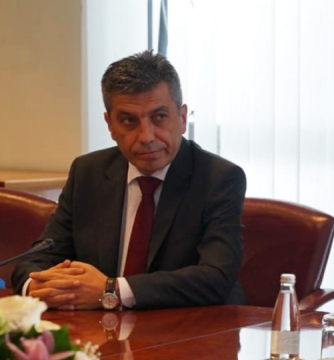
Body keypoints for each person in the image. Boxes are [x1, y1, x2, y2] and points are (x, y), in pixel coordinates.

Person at [12, 51, 247, 310]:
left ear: (182, 118)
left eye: (159, 117)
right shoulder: (88, 172)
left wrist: (111, 290)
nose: (146, 137)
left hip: (190, 327)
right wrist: (37, 287)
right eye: (128, 120)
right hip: (100, 328)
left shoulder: (218, 178)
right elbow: (38, 258)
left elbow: (216, 277)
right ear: (110, 125)